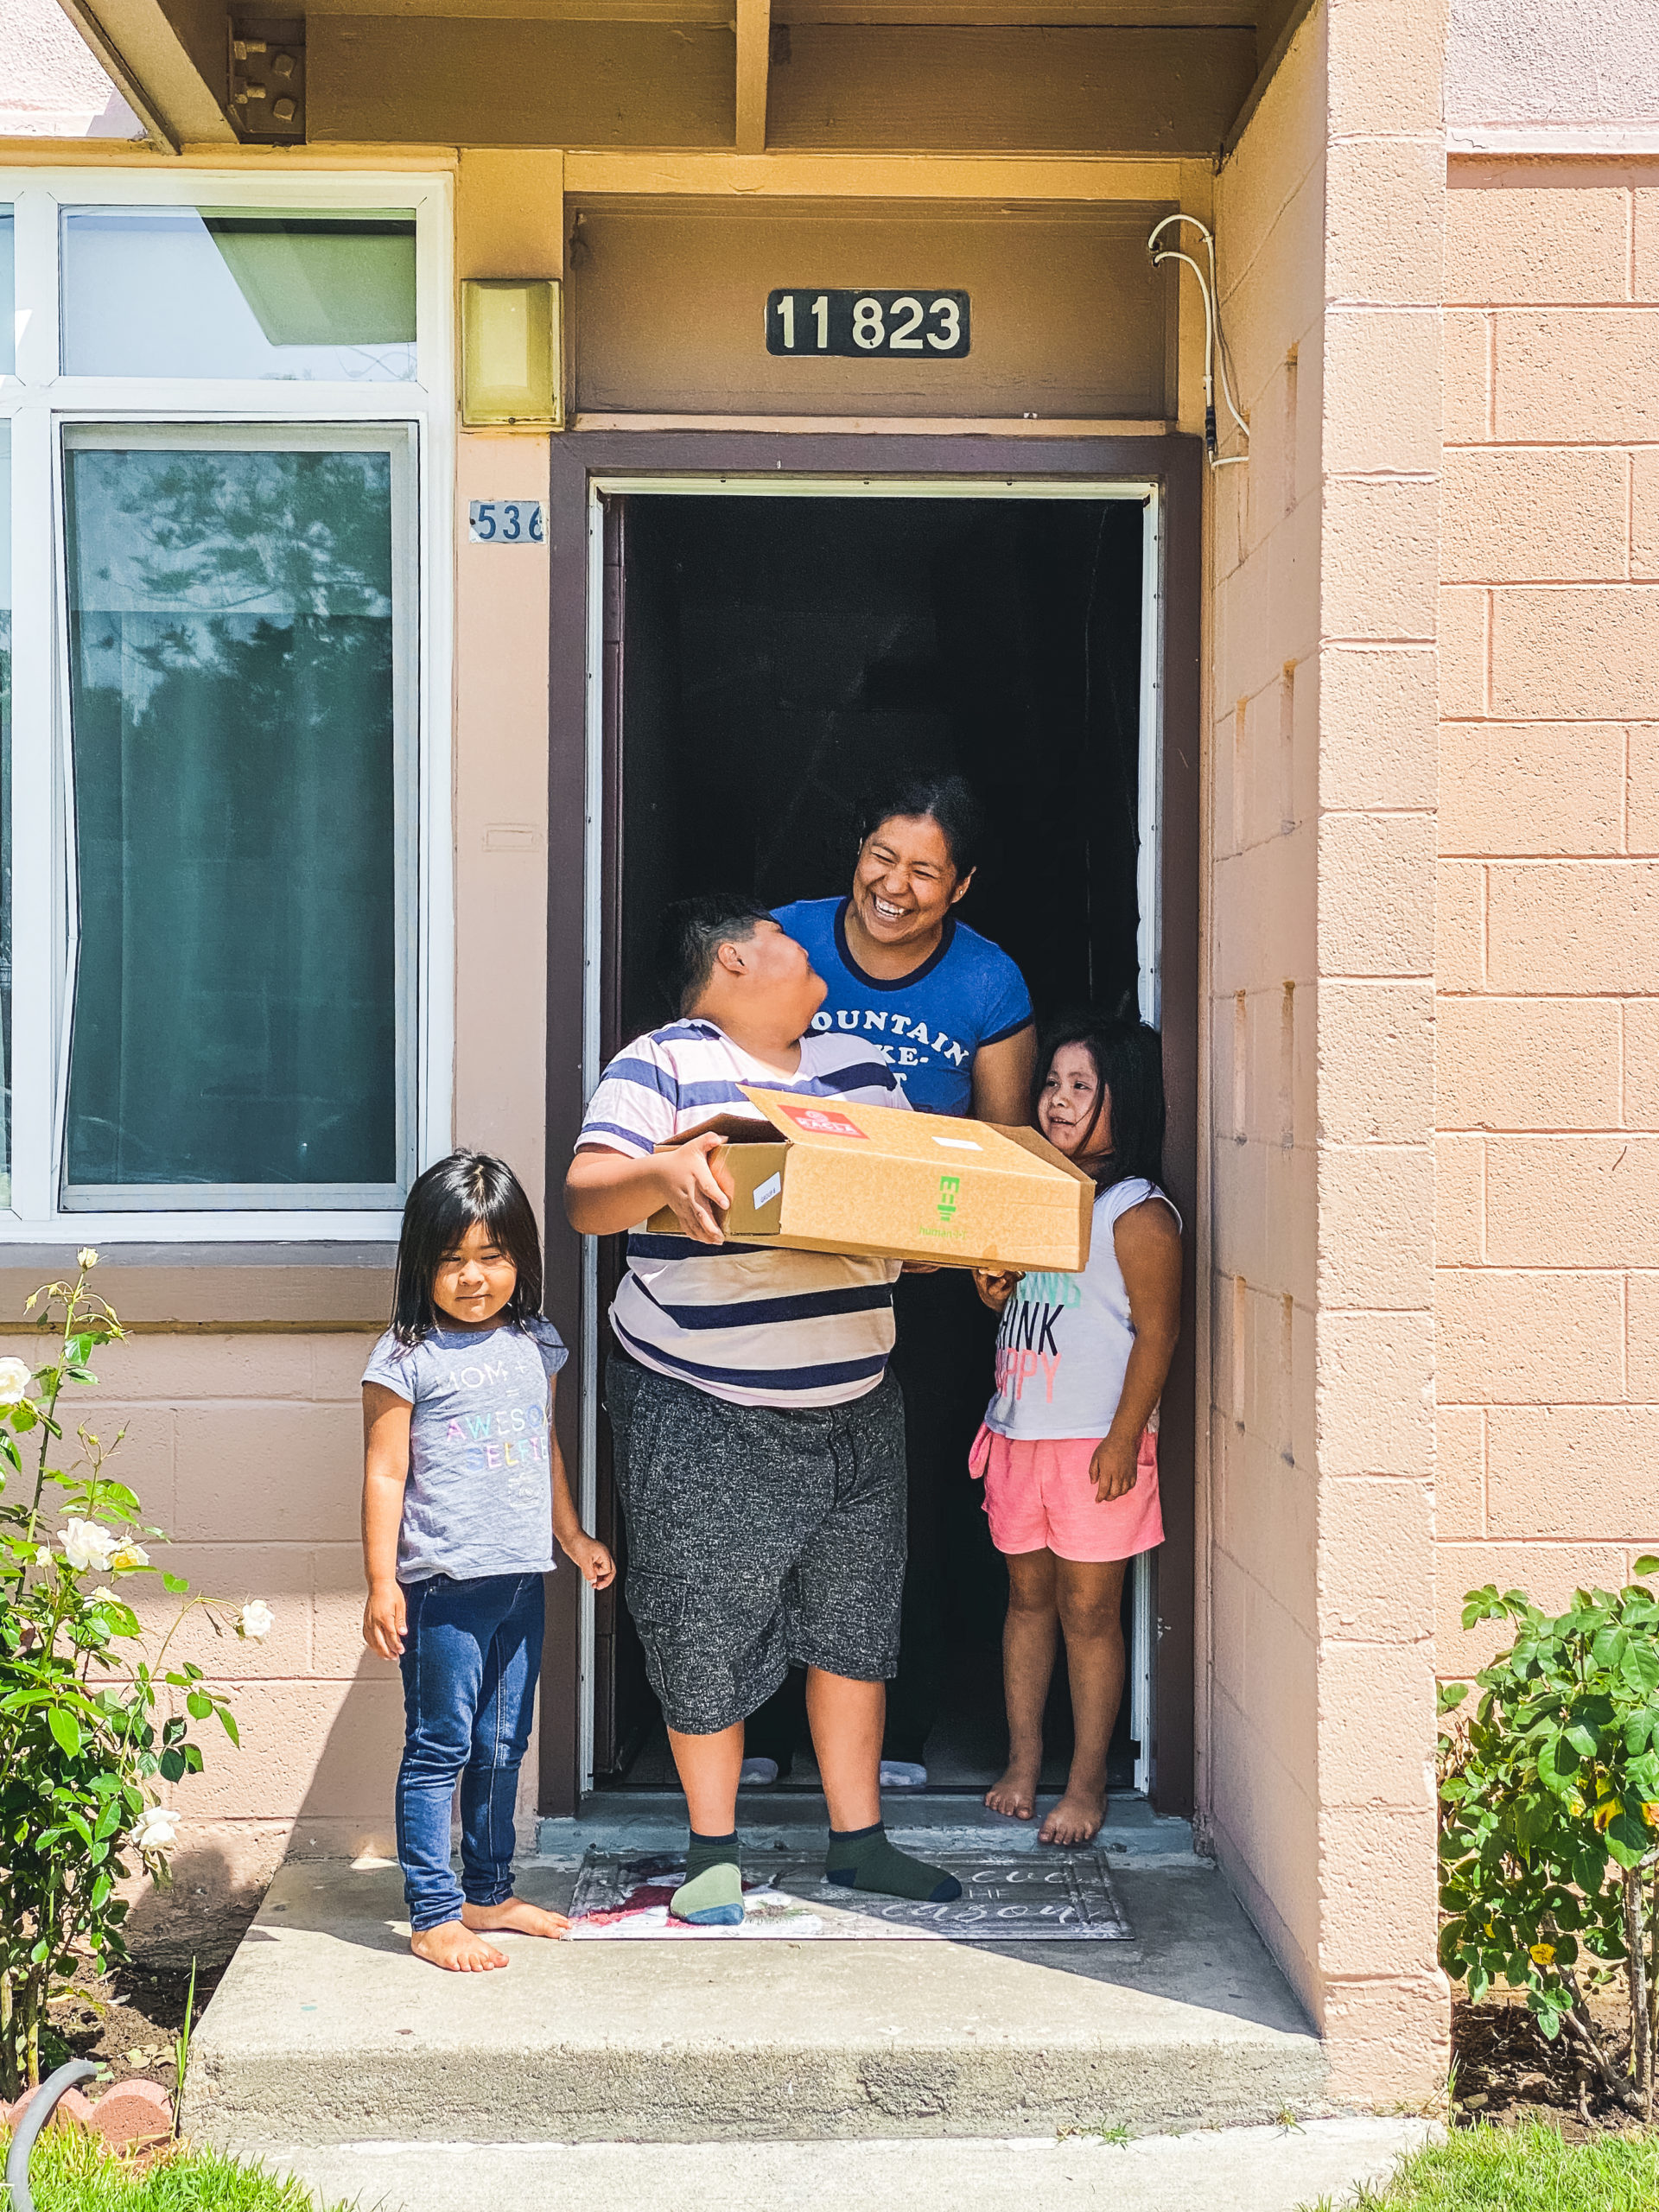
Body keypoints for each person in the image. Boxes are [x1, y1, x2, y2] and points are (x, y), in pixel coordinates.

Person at [564, 893, 962, 1925]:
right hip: (703, 1402)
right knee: (702, 1626)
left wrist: (959, 1237)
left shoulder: (859, 1067)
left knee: (854, 1626)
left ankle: (860, 1842)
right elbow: (586, 1195)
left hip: (857, 1400)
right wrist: (661, 1168)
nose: (810, 945)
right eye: (786, 937)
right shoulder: (663, 1062)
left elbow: (910, 1204)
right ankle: (712, 1854)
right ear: (734, 959)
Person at [758, 772, 1035, 1789]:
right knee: (772, 1492)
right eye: (883, 856)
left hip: (920, 1281)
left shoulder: (988, 981)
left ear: (961, 885)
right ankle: (760, 1728)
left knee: (899, 1501)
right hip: (785, 1262)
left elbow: (1008, 1144)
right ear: (857, 850)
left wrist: (989, 1253)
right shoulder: (783, 939)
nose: (895, 885)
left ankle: (898, 1728)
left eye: (925, 870)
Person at [361, 1150, 616, 1973]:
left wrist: (571, 1536)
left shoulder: (533, 1342)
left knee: (504, 1745)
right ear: (421, 1264)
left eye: (492, 1256)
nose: (473, 1277)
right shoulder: (405, 1356)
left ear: (520, 1258)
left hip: (519, 1578)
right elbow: (385, 1472)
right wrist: (381, 1582)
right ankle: (434, 1915)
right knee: (441, 1746)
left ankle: (487, 1892)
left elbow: (544, 1447)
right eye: (452, 1259)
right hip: (443, 1587)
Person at [971, 1018, 1181, 1847]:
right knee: (1026, 1602)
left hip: (1095, 1444)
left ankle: (1087, 1781)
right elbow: (1018, 1297)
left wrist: (1125, 1440)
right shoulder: (1036, 1192)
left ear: (1126, 1102)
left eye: (1081, 1087)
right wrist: (994, 1289)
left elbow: (1158, 1335)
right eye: (1052, 1084)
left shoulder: (1138, 1213)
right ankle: (1024, 1761)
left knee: (1090, 1614)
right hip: (1018, 1432)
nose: (1058, 1100)